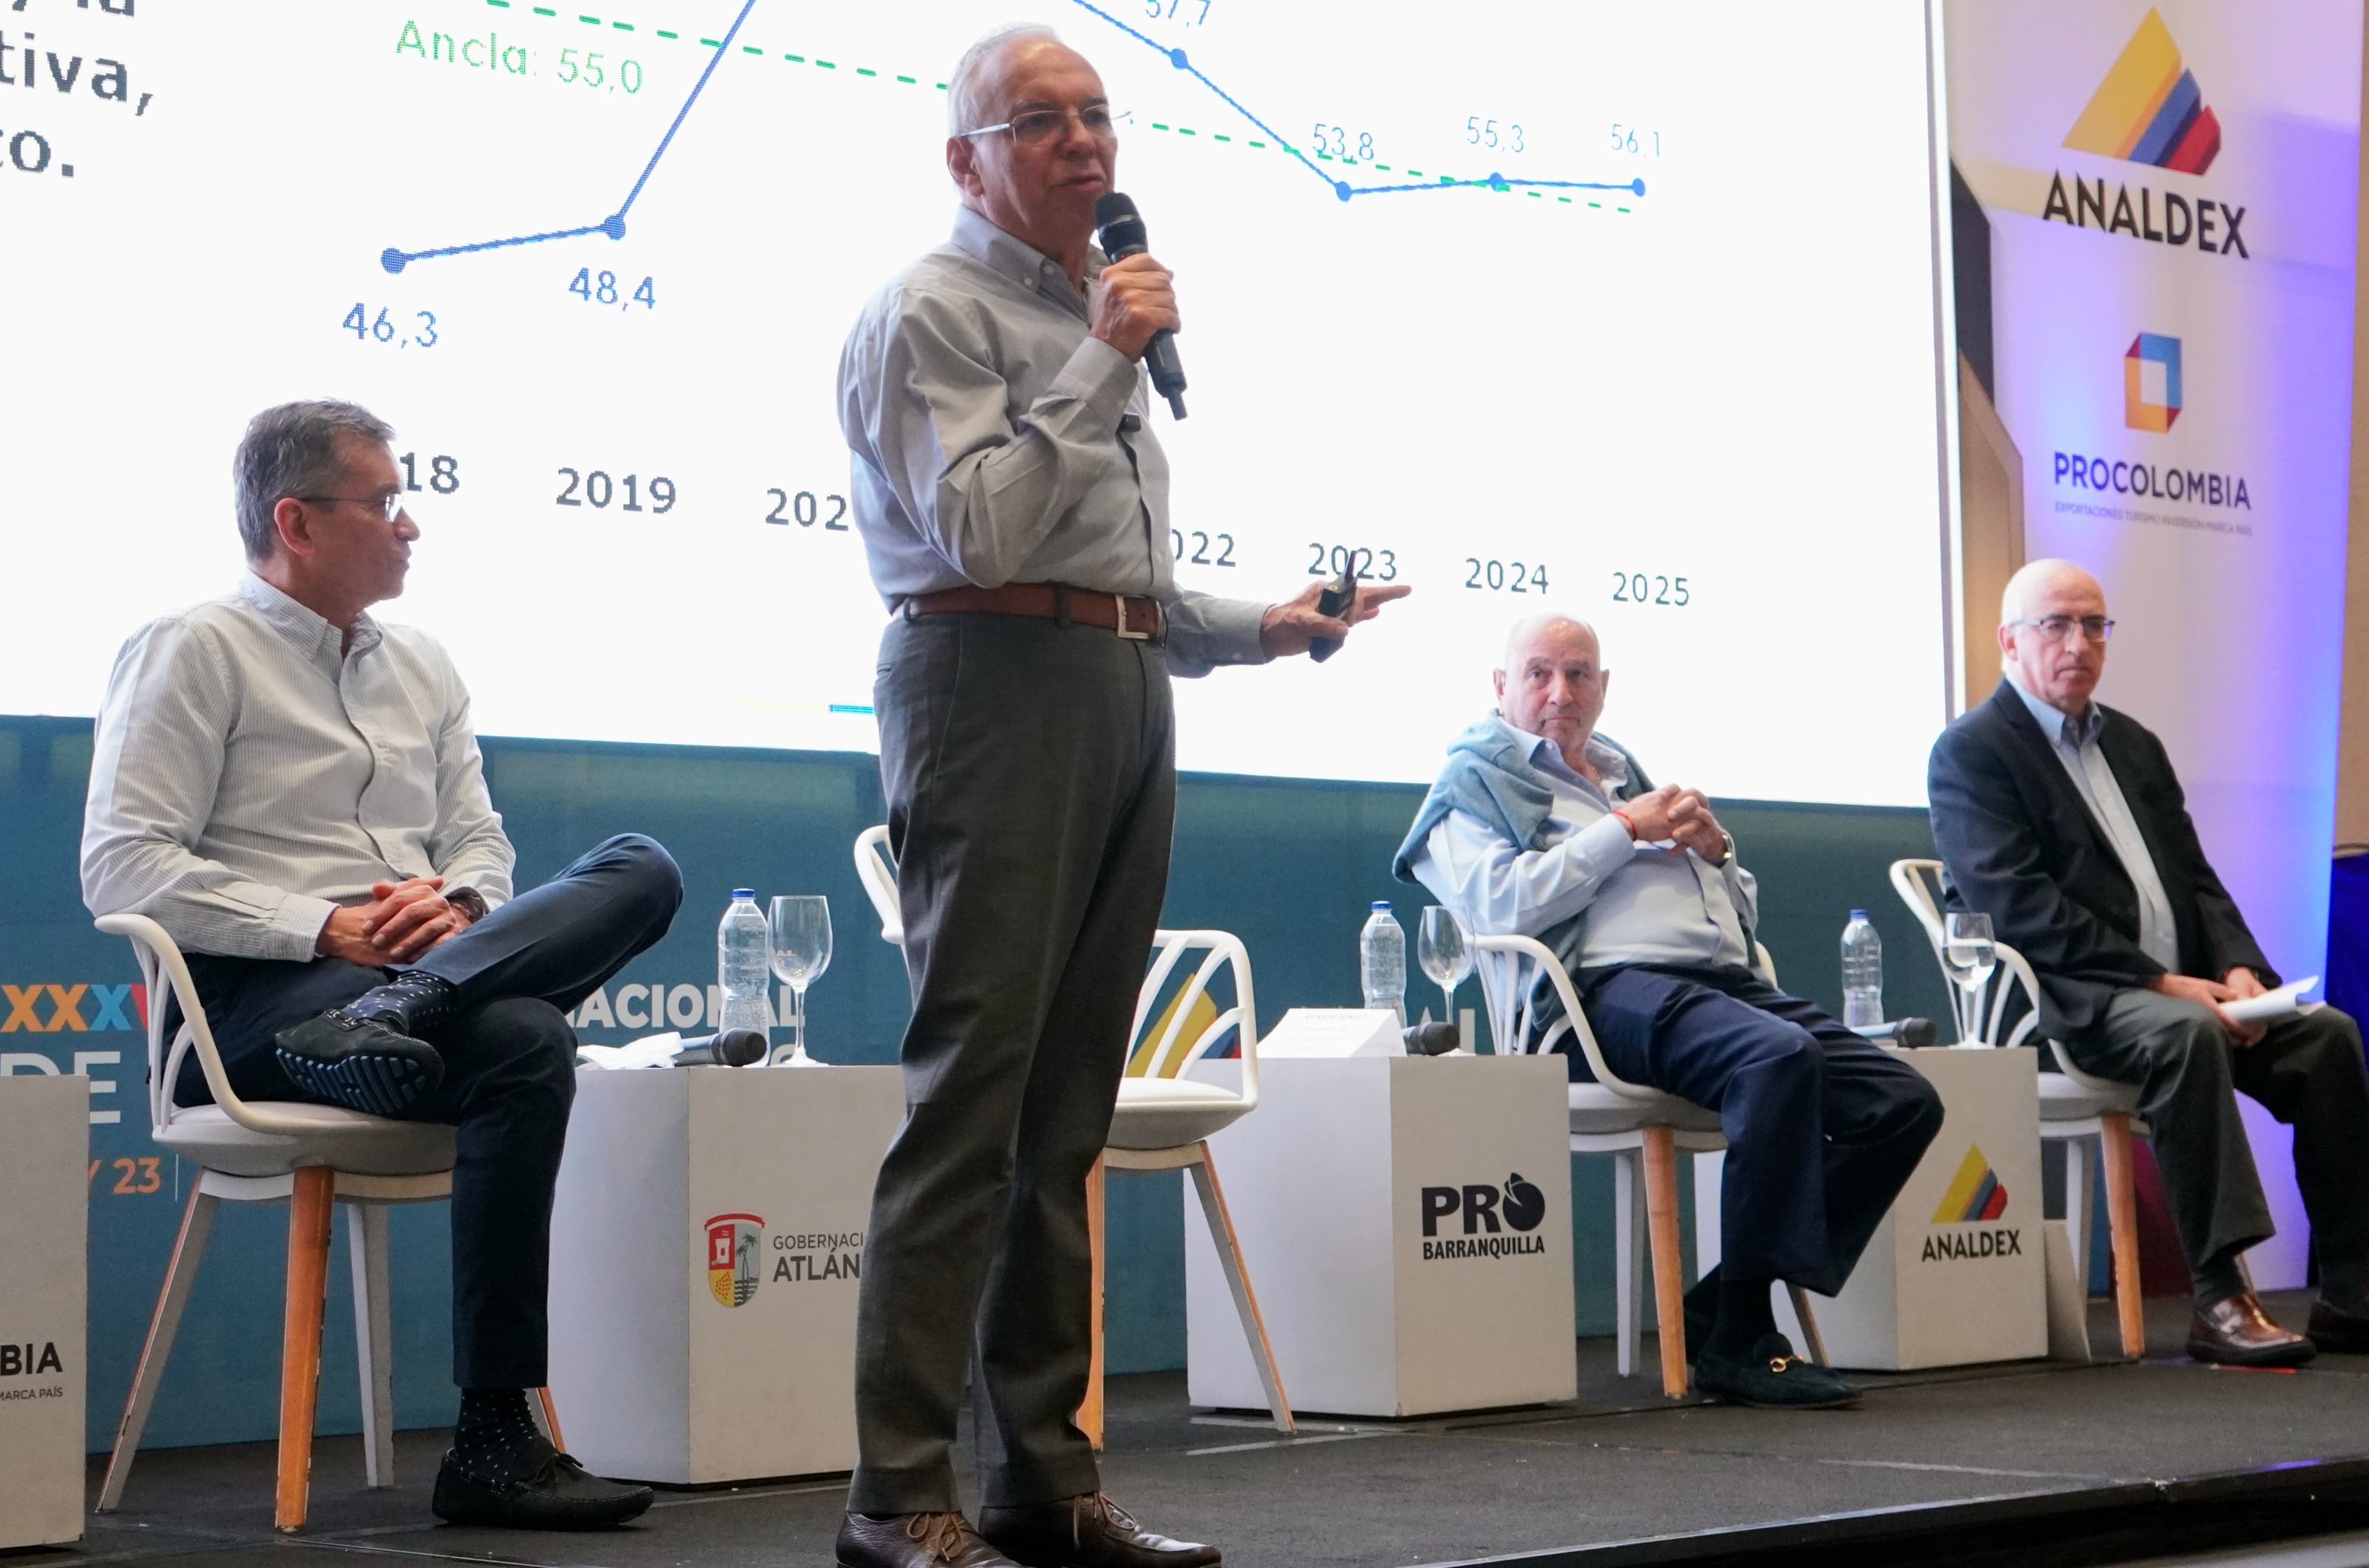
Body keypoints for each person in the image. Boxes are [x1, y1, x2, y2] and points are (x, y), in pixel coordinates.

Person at [834, 23, 1405, 1568]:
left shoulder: (1084, 317)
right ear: (967, 158)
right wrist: (1099, 355)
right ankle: (898, 1497)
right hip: (985, 694)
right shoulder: (928, 313)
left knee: (1064, 1115)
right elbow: (980, 531)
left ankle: (1043, 1480)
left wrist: (1264, 629)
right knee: (971, 1103)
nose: (1087, 143)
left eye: (1099, 115)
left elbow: (1110, 581)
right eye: (1043, 121)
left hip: (1120, 693)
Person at [80, 400, 682, 1528]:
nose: (411, 527)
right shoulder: (193, 646)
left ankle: (489, 1443)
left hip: (398, 1001)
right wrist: (327, 928)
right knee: (527, 1035)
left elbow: (480, 841)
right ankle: (500, 1437)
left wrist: (453, 903)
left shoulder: (424, 665)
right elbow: (123, 867)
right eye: (386, 502)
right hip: (250, 1010)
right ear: (295, 522)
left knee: (640, 868)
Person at [1395, 612, 1943, 1408]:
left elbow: (1739, 916)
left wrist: (1718, 852)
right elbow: (1497, 907)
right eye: (1540, 674)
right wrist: (1621, 831)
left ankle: (1719, 1303)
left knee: (1902, 1102)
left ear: (1604, 687)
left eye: (1579, 674)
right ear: (1500, 686)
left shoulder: (1625, 774)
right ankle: (1745, 1338)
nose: (1561, 692)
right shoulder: (1471, 788)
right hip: (1599, 1000)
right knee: (1777, 1058)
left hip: (1718, 984)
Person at [1928, 558, 2369, 1365]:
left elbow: (2197, 881)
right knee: (2186, 1036)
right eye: (2056, 625)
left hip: (2186, 989)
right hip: (2075, 1001)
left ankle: (2353, 1289)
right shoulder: (1973, 752)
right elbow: (2022, 908)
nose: (2078, 644)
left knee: (2330, 1036)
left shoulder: (2132, 743)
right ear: (2008, 643)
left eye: (2094, 625)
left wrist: (2241, 972)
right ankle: (2221, 1297)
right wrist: (2163, 982)